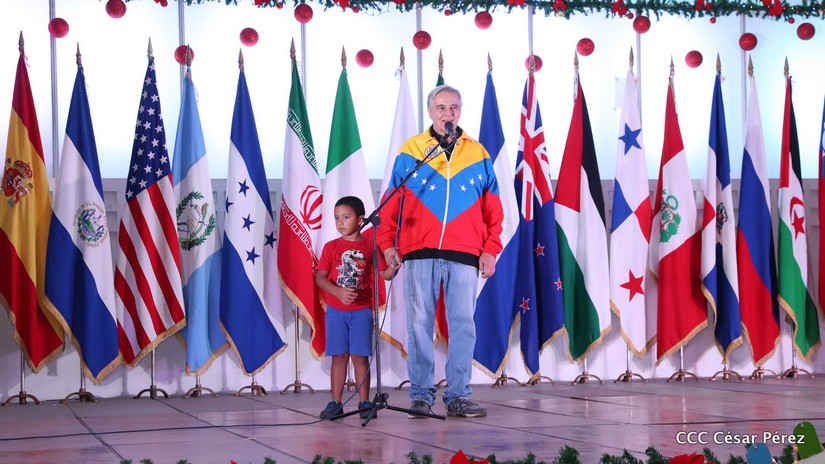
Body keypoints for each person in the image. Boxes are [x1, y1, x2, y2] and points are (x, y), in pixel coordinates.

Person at [377, 85, 504, 419]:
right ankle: (421, 395)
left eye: (454, 107)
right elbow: (390, 205)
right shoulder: (412, 150)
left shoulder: (478, 153)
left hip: (465, 253)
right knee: (419, 324)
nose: (449, 113)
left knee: (462, 326)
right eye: (442, 107)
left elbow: (494, 210)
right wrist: (387, 245)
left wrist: (490, 250)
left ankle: (458, 395)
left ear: (460, 111)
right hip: (420, 252)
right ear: (431, 112)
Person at [316, 196, 395, 420]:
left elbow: (385, 274)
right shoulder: (332, 247)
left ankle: (364, 401)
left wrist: (393, 266)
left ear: (360, 220)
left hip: (361, 311)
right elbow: (320, 278)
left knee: (360, 357)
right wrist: (338, 292)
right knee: (339, 356)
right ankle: (335, 402)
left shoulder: (370, 246)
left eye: (346, 217)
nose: (340, 223)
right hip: (336, 312)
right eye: (336, 218)